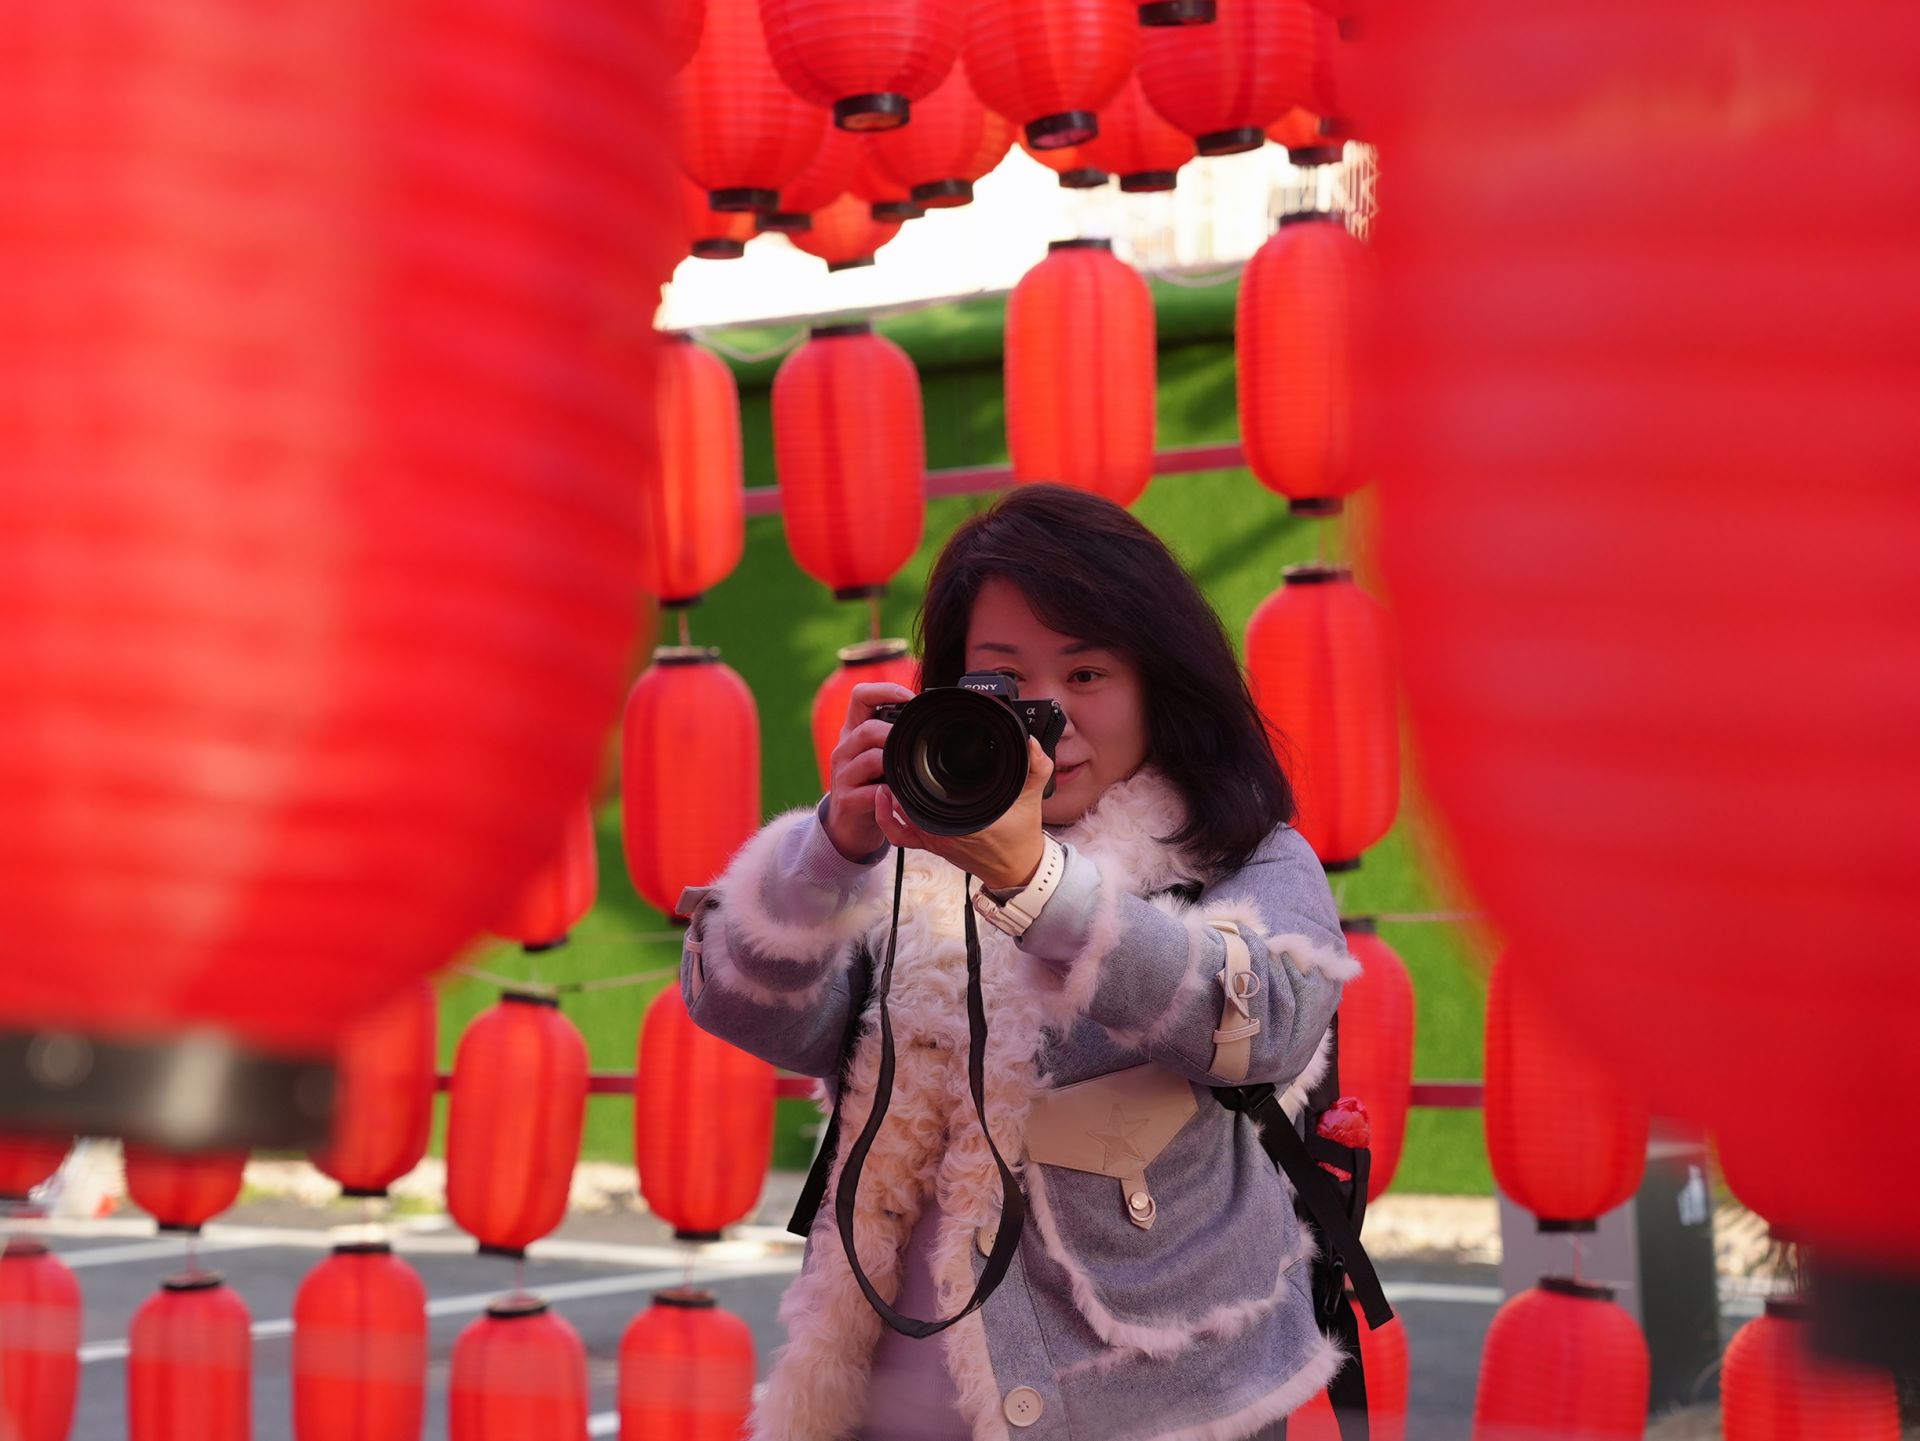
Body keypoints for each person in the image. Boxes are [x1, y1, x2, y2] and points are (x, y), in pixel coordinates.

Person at [679, 484, 1358, 1441]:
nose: (1050, 715)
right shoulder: (905, 872)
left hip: (1157, 1418)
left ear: (1157, 684)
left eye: (1087, 673)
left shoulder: (1246, 857)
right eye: (1004, 677)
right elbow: (747, 1005)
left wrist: (1040, 887)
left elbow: (1264, 1023)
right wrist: (828, 850)